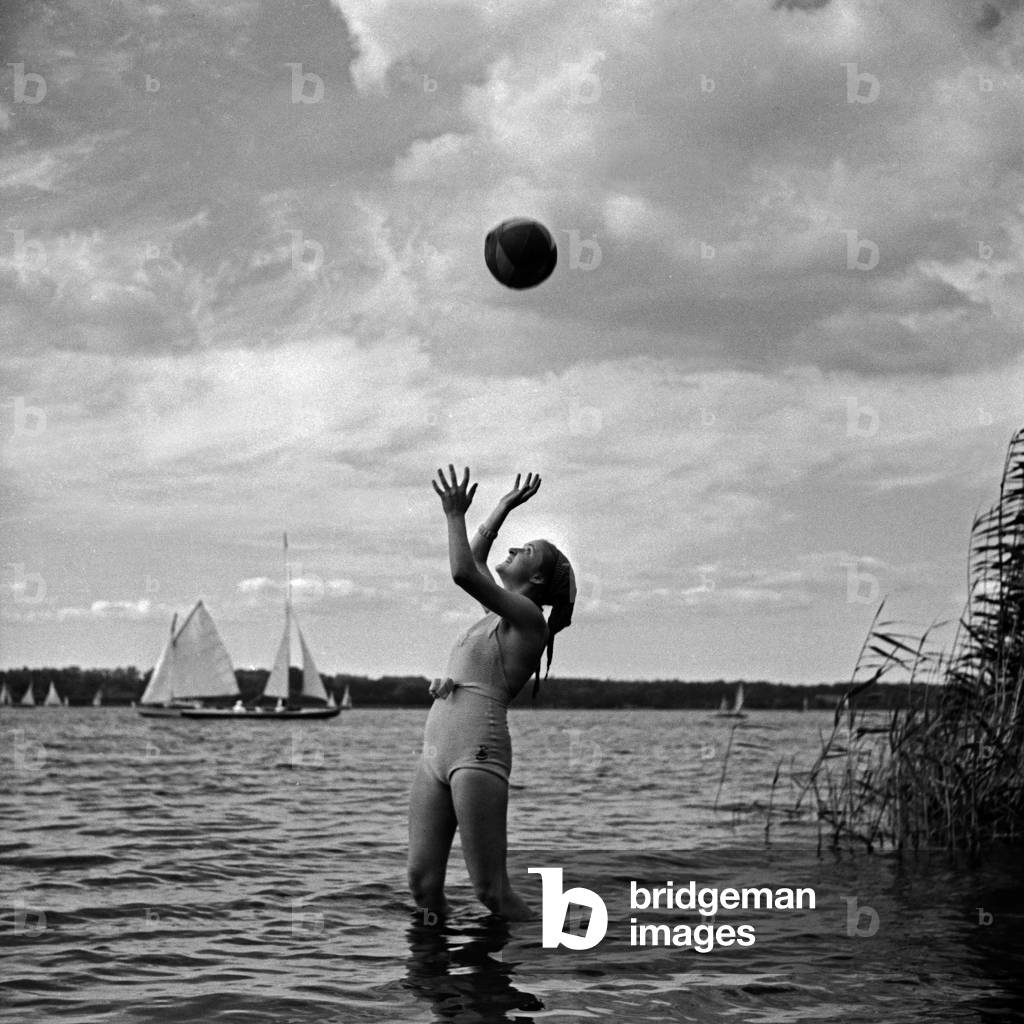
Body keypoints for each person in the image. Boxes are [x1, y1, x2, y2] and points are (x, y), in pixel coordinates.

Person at [407, 465, 576, 921]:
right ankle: (436, 983)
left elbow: (464, 570)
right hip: (436, 751)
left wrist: (454, 514)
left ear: (536, 581)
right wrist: (503, 506)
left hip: (477, 753)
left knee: (490, 891)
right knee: (422, 885)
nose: (515, 547)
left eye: (527, 551)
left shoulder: (527, 619)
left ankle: (554, 947)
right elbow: (478, 558)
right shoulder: (495, 617)